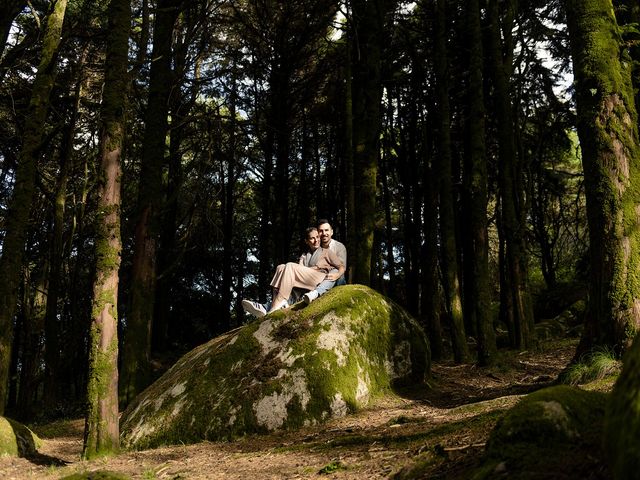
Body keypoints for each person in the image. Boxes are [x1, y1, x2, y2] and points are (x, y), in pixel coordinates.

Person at [242, 227, 345, 317]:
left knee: (290, 266)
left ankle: (277, 304)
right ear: (306, 241)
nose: (316, 240)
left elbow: (341, 266)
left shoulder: (326, 252)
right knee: (281, 267)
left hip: (319, 279)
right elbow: (298, 272)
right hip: (306, 281)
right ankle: (273, 304)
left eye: (317, 237)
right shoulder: (304, 256)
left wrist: (337, 275)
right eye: (312, 238)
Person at [301, 219, 347, 304]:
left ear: (332, 232)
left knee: (335, 270)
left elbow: (341, 268)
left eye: (326, 230)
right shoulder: (315, 248)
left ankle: (316, 293)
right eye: (321, 231)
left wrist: (336, 274)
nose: (324, 233)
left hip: (337, 279)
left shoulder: (339, 247)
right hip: (319, 278)